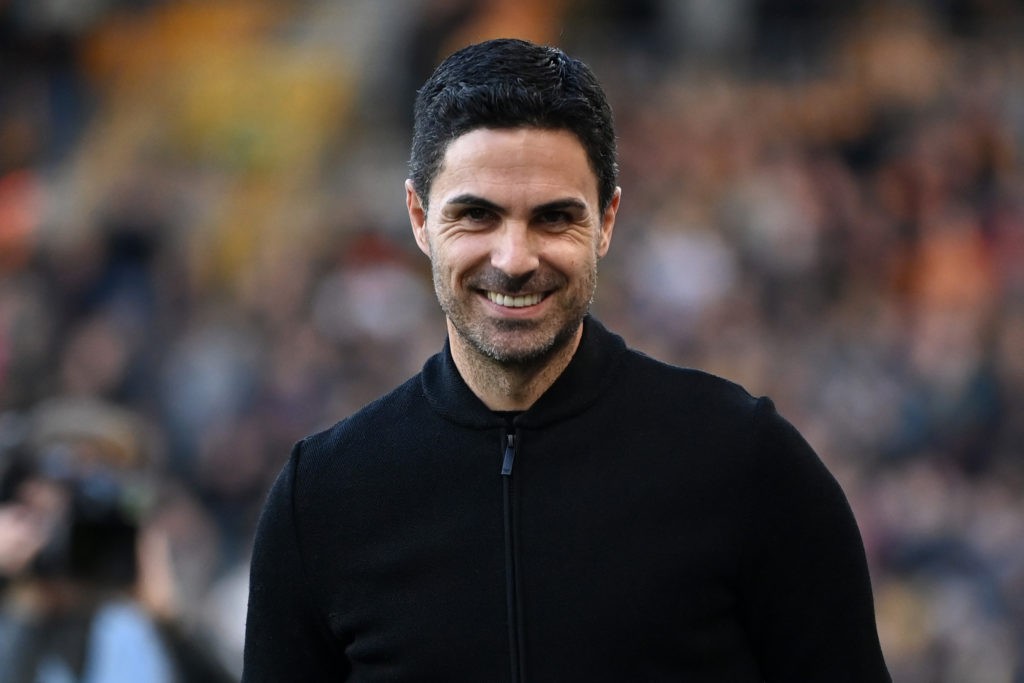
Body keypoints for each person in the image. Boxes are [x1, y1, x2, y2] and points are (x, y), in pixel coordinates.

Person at [242, 38, 891, 681]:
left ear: (607, 220)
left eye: (554, 218)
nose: (514, 258)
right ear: (418, 217)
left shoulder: (750, 465)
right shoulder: (323, 498)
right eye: (476, 216)